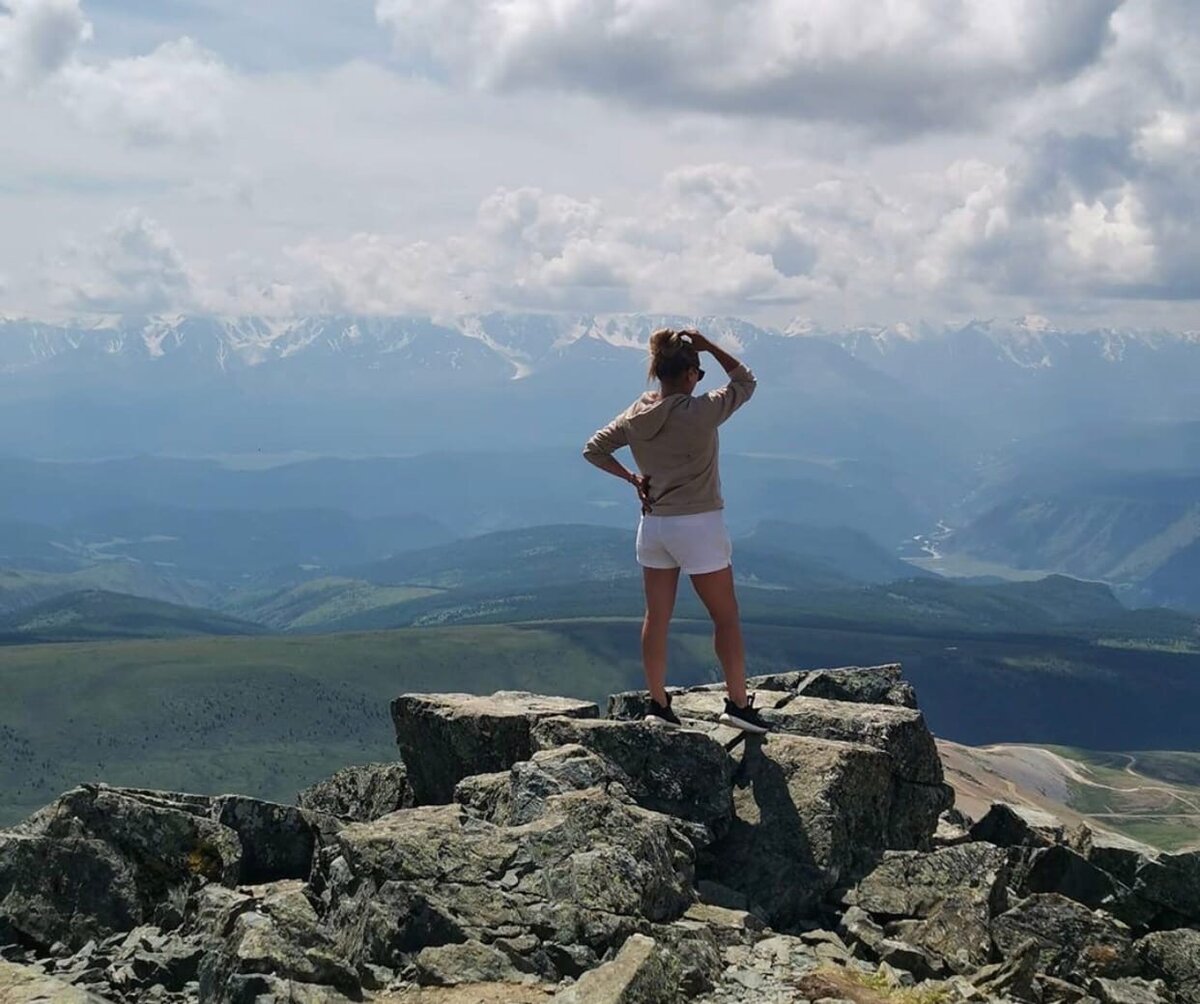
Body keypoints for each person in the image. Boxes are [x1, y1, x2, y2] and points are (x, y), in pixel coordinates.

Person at [583, 328, 770, 734]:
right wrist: (710, 346)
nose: (700, 381)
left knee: (657, 616)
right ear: (688, 374)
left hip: (654, 527)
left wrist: (633, 479)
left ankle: (658, 703)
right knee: (726, 617)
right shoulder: (701, 412)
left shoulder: (635, 416)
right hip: (699, 524)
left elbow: (593, 448)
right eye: (698, 374)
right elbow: (747, 381)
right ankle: (738, 704)